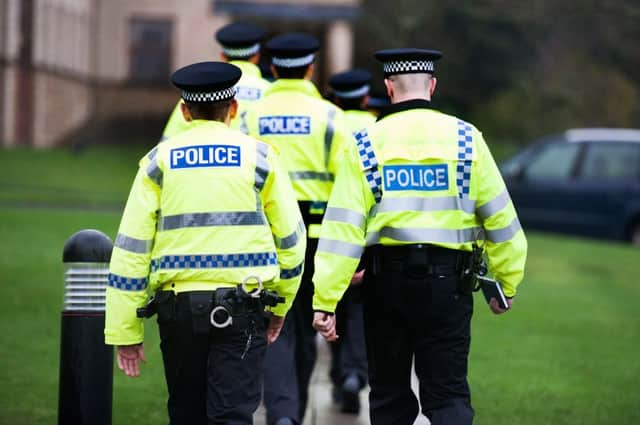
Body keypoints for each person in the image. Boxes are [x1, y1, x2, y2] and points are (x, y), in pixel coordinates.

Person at [312, 48, 528, 425]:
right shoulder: (467, 140)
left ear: (389, 88)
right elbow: (502, 220)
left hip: (387, 286)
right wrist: (506, 282)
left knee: (389, 398)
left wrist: (326, 299)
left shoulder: (366, 143)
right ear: (431, 85)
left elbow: (342, 230)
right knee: (448, 397)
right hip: (450, 288)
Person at [104, 61, 306, 425]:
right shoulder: (261, 158)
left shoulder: (157, 162)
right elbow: (292, 241)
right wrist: (282, 306)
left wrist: (125, 329)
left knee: (186, 415)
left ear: (184, 111)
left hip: (177, 311)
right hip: (244, 306)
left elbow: (131, 248)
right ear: (233, 109)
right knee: (232, 416)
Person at [243, 32, 351, 425]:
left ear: (272, 68)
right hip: (318, 236)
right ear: (310, 69)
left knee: (274, 323)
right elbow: (350, 191)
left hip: (266, 233)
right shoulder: (331, 118)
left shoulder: (247, 116)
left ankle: (283, 412)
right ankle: (295, 410)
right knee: (307, 323)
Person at [325, 68, 376, 414]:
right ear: (365, 97)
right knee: (359, 307)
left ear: (334, 98)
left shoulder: (328, 125)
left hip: (330, 229)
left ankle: (340, 372)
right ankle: (355, 373)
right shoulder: (376, 128)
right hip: (366, 231)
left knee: (332, 307)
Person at [161, 22, 271, 140]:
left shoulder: (197, 91)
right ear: (256, 56)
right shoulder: (270, 92)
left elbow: (168, 140)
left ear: (223, 56)